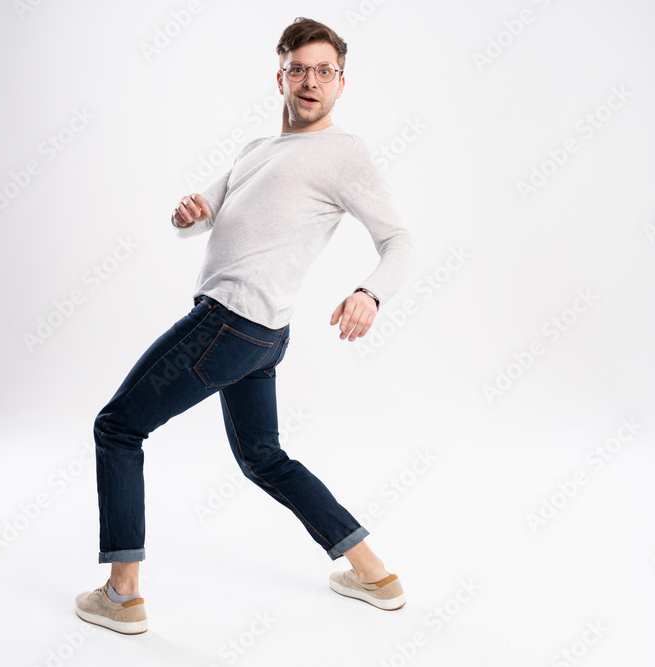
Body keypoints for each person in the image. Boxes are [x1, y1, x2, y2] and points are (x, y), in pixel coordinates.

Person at [75, 17, 416, 635]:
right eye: (299, 68)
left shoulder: (345, 154)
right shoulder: (256, 151)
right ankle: (374, 574)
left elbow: (400, 242)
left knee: (117, 429)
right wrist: (193, 212)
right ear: (281, 75)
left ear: (342, 82)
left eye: (324, 71)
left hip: (230, 324)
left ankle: (122, 595)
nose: (311, 81)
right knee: (263, 457)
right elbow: (200, 218)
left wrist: (370, 292)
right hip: (259, 336)